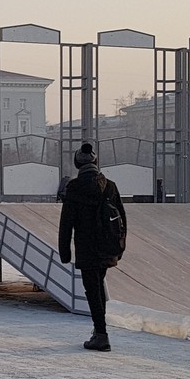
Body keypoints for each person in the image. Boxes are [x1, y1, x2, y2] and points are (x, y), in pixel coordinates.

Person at [57, 143, 126, 352]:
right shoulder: (110, 186)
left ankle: (101, 334)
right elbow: (121, 218)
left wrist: (65, 251)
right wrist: (120, 247)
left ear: (78, 164)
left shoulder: (75, 187)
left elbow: (66, 222)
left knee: (92, 289)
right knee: (98, 285)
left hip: (86, 246)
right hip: (107, 245)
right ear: (95, 162)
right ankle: (99, 332)